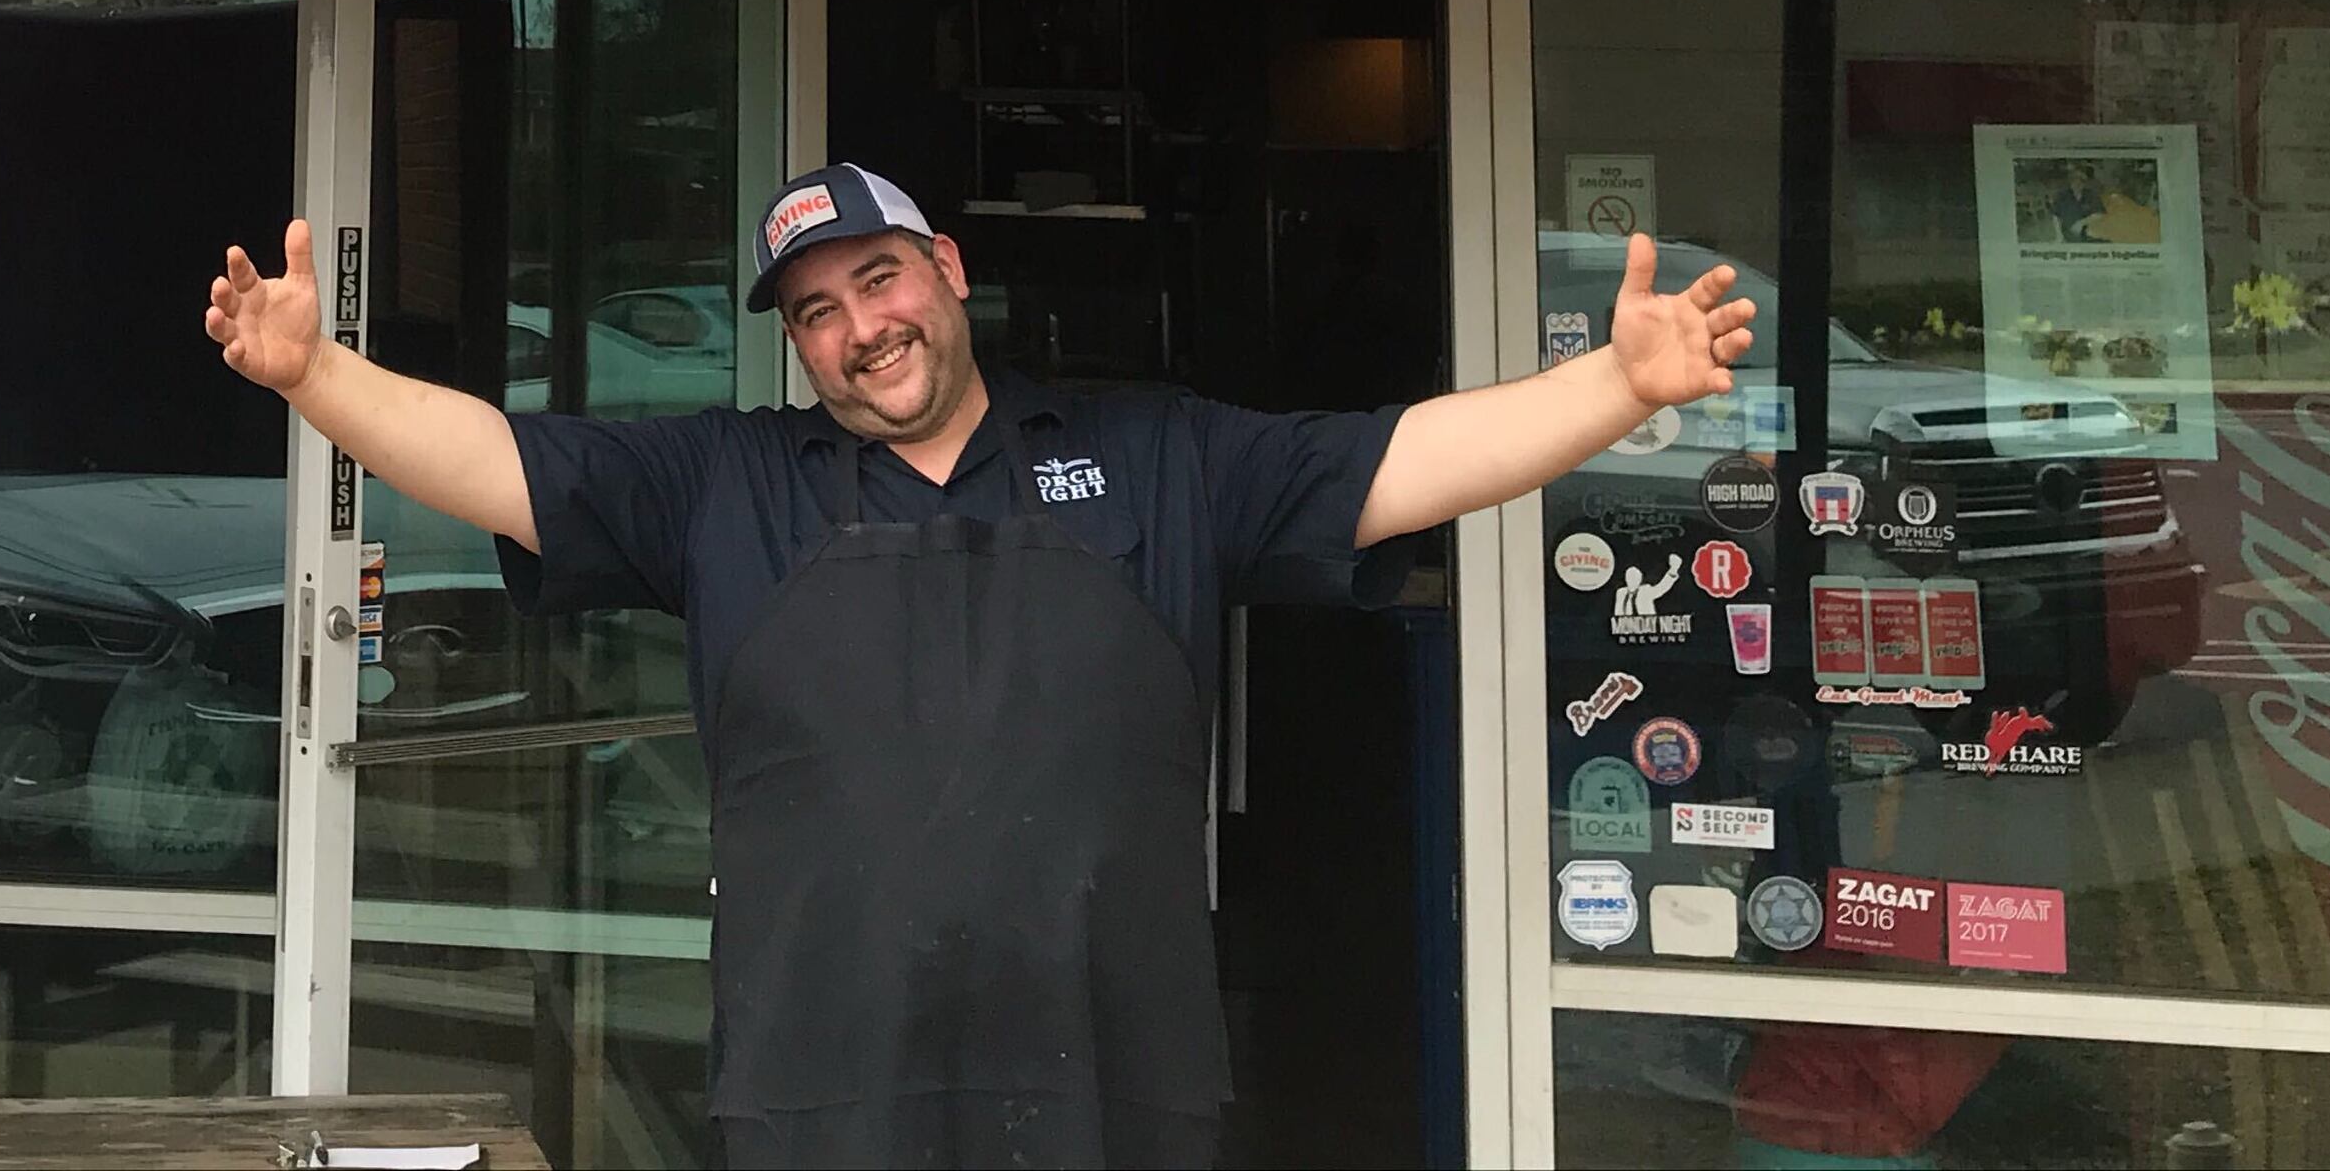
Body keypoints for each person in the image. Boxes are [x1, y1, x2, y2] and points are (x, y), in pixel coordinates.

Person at [205, 161, 1756, 1171]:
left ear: (946, 270)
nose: (859, 330)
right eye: (817, 315)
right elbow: (494, 464)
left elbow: (1403, 463)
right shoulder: (726, 484)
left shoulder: (1156, 455)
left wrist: (1616, 386)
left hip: (1112, 1089)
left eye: (878, 281)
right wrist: (318, 374)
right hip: (823, 1095)